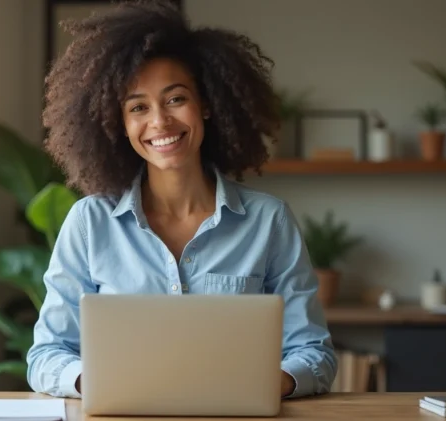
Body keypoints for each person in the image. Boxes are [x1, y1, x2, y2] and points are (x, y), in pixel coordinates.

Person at [26, 0, 337, 400]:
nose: (160, 122)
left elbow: (314, 353)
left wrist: (265, 382)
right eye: (138, 107)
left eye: (175, 99)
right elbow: (46, 355)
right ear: (117, 123)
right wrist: (101, 382)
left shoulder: (268, 221)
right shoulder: (89, 223)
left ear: (206, 104)